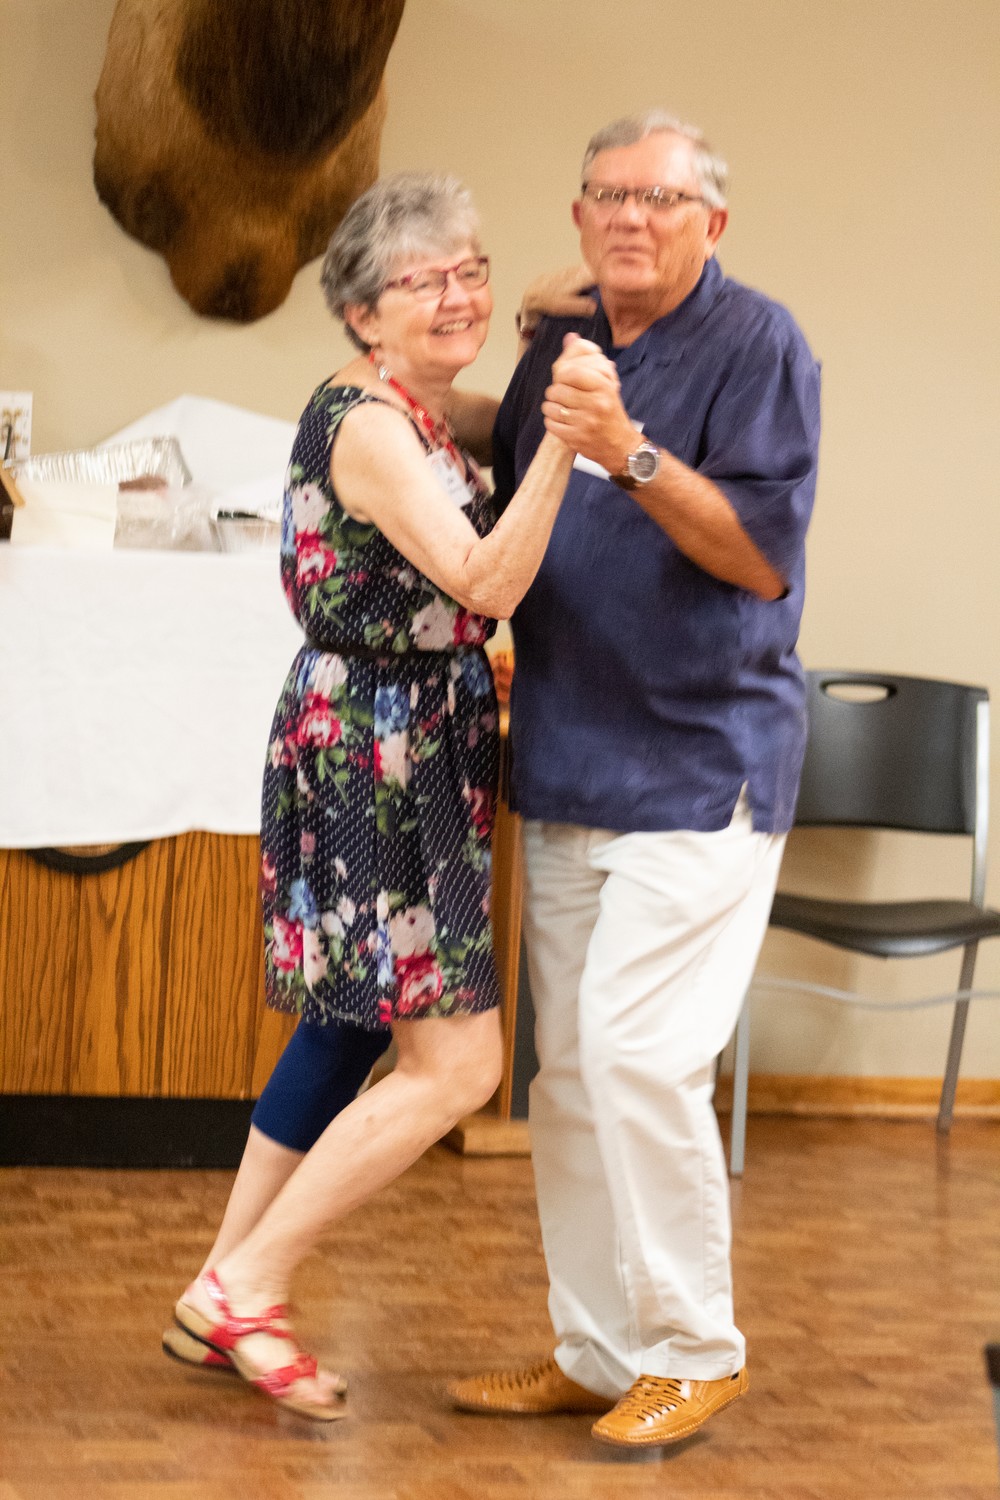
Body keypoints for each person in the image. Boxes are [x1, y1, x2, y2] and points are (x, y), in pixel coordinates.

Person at [163, 170, 614, 1420]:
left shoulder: (416, 404)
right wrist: (569, 439)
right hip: (380, 749)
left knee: (352, 1022)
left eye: (470, 270)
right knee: (459, 1065)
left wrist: (539, 322)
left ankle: (219, 1287)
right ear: (364, 315)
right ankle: (248, 1287)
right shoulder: (367, 424)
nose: (456, 295)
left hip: (404, 734)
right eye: (426, 281)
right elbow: (486, 580)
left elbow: (497, 413)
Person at [448, 111, 821, 1448]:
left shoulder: (760, 344)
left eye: (661, 199)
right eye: (609, 194)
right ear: (579, 216)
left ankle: (694, 1348)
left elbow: (761, 557)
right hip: (568, 758)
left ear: (711, 221)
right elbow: (514, 479)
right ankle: (601, 1349)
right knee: (566, 1078)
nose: (631, 217)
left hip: (702, 767)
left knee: (638, 1055)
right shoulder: (565, 341)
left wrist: (631, 452)